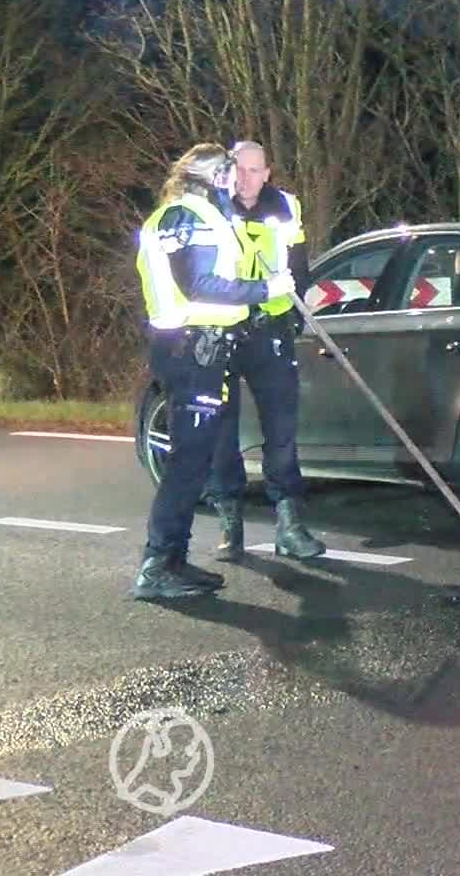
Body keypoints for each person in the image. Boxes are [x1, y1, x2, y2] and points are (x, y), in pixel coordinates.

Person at [132, 143, 297, 600]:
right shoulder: (185, 217)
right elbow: (199, 285)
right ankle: (158, 565)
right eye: (227, 172)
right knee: (188, 461)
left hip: (200, 349)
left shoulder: (197, 215)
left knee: (195, 458)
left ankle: (172, 559)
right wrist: (266, 288)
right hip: (190, 349)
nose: (234, 181)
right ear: (211, 178)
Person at [207, 140, 326, 562]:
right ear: (227, 171)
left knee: (282, 430)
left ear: (267, 173)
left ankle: (289, 526)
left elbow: (298, 265)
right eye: (239, 169)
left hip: (270, 330)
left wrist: (296, 313)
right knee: (221, 431)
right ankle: (230, 524)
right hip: (222, 328)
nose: (246, 178)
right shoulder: (210, 208)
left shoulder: (286, 207)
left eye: (254, 170)